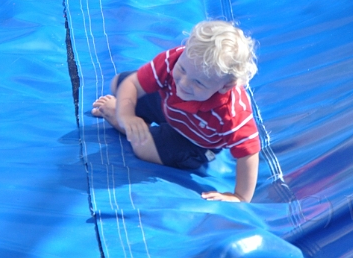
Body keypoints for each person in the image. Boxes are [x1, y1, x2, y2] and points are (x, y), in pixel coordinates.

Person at [91, 20, 260, 202]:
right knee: (119, 82)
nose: (184, 83)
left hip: (193, 141)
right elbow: (133, 83)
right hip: (169, 105)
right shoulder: (174, 61)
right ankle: (132, 121)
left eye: (198, 82)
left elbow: (249, 153)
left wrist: (239, 196)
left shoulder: (231, 113)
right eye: (182, 69)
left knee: (142, 148)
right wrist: (126, 115)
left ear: (225, 86)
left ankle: (128, 126)